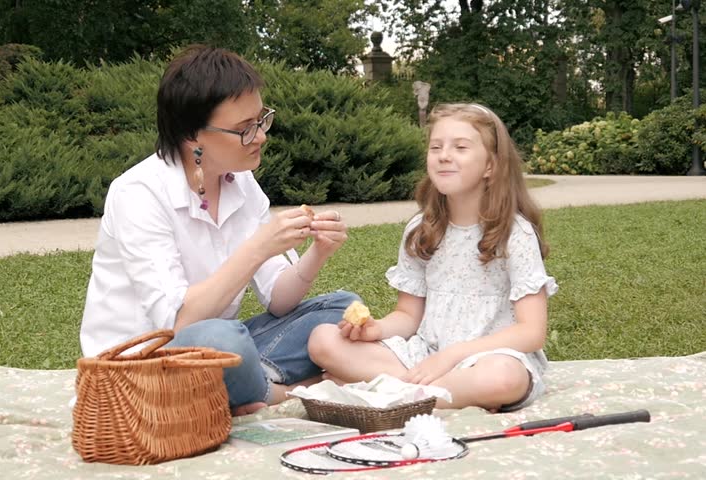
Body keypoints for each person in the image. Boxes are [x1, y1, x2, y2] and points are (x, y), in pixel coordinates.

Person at [79, 45, 358, 416]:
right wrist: (258, 248)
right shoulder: (139, 193)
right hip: (146, 364)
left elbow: (278, 298)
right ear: (193, 135)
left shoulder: (241, 185)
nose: (260, 136)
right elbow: (177, 322)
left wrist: (317, 252)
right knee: (220, 337)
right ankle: (284, 392)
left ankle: (244, 387)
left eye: (262, 120)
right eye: (245, 129)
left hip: (218, 354)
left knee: (339, 306)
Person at [308, 103, 557, 412]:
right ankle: (426, 393)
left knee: (504, 379)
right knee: (323, 340)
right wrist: (377, 330)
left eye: (461, 147)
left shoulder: (514, 233)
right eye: (436, 146)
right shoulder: (421, 229)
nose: (444, 155)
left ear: (491, 166)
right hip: (426, 355)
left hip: (491, 356)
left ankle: (391, 392)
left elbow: (531, 332)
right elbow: (408, 316)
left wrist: (453, 356)